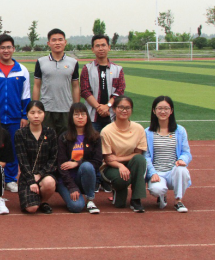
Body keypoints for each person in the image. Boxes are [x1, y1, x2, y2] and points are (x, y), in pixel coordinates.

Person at [0, 34, 30, 193]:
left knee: (13, 149)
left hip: (15, 118)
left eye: (9, 47)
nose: (6, 50)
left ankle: (10, 179)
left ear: (13, 49)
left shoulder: (22, 70)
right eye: (2, 48)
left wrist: (24, 116)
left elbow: (26, 96)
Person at [80, 34, 126, 194]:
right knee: (91, 150)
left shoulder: (117, 69)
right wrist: (99, 107)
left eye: (103, 45)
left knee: (111, 150)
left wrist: (108, 106)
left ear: (109, 47)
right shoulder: (87, 68)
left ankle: (107, 179)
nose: (101, 48)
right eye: (97, 46)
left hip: (112, 117)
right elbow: (85, 90)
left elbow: (120, 89)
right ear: (92, 49)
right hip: (93, 116)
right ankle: (95, 180)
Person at [100, 96, 148, 212]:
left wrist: (119, 159)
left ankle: (136, 199)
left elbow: (138, 154)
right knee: (120, 204)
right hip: (111, 166)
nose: (124, 110)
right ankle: (117, 190)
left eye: (127, 108)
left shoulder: (138, 129)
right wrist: (120, 165)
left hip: (129, 163)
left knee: (140, 160)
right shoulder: (106, 131)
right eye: (121, 107)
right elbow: (107, 158)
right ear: (114, 109)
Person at [144, 96, 192, 213]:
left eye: (166, 108)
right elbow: (146, 156)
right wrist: (152, 173)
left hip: (173, 172)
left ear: (171, 111)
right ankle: (162, 195)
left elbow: (186, 152)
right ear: (154, 111)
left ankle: (178, 201)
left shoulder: (180, 131)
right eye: (159, 108)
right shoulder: (147, 132)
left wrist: (182, 160)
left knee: (182, 170)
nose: (163, 111)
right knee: (157, 190)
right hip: (157, 173)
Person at [32, 28, 80, 137]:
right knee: (46, 141)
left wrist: (76, 108)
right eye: (54, 40)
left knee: (66, 140)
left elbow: (75, 86)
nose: (57, 43)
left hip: (66, 109)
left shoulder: (73, 62)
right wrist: (35, 107)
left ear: (65, 42)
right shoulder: (41, 62)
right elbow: (37, 86)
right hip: (46, 109)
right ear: (49, 43)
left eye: (60, 40)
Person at [56, 103, 102, 214]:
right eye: (76, 114)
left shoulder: (95, 137)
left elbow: (97, 161)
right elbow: (61, 165)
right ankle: (74, 193)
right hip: (67, 179)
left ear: (87, 117)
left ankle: (90, 199)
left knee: (87, 166)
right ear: (71, 117)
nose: (80, 117)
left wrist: (77, 163)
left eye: (83, 114)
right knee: (76, 207)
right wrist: (72, 187)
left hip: (85, 176)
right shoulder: (64, 137)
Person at [16, 101, 58, 214]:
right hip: (27, 175)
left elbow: (54, 158)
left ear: (44, 114)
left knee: (49, 182)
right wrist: (31, 180)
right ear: (27, 115)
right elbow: (22, 160)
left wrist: (40, 174)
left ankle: (43, 201)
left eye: (39, 112)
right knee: (31, 209)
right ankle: (34, 200)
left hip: (44, 174)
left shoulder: (50, 132)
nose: (36, 116)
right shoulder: (20, 134)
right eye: (32, 113)